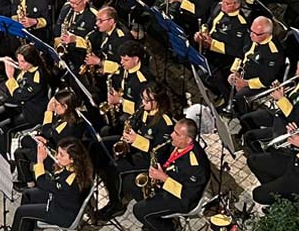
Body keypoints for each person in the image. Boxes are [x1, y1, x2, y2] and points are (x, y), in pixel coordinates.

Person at [96, 84, 175, 220]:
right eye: (142, 99)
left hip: (149, 160)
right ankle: (110, 183)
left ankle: (117, 204)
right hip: (135, 149)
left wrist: (136, 139)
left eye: (146, 100)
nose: (142, 102)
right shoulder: (144, 110)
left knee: (114, 168)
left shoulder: (165, 123)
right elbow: (133, 124)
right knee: (101, 145)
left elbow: (158, 151)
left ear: (158, 102)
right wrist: (127, 136)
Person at [129, 119, 210, 230]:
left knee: (139, 210)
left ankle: (169, 227)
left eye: (177, 134)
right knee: (133, 186)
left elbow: (188, 196)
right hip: (169, 184)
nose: (171, 135)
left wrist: (164, 178)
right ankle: (155, 220)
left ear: (188, 140)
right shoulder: (177, 145)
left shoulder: (195, 165)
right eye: (173, 131)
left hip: (181, 200)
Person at [240, 56, 299, 155]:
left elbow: (296, 119)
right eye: (297, 69)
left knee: (250, 137)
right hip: (278, 114)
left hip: (286, 125)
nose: (297, 73)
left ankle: (262, 154)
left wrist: (281, 99)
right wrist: (281, 92)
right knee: (246, 119)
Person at [11, 138, 93, 231]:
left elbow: (42, 183)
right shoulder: (75, 168)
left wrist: (40, 161)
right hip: (59, 200)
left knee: (21, 212)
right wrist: (46, 145)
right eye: (58, 153)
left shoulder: (68, 183)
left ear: (72, 159)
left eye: (61, 155)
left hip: (61, 213)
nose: (57, 157)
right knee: (28, 194)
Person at [13, 90, 86, 185]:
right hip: (53, 145)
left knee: (19, 153)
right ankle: (30, 172)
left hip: (56, 158)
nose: (53, 106)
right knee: (25, 140)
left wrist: (49, 111)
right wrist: (46, 140)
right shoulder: (66, 116)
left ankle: (29, 183)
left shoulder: (68, 126)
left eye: (56, 105)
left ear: (65, 107)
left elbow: (46, 131)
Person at [194, 0, 249, 99]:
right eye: (222, 1)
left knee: (206, 74)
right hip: (206, 47)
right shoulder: (219, 6)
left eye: (226, 3)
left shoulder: (240, 25)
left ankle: (223, 95)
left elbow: (236, 50)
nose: (222, 5)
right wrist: (203, 33)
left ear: (236, 5)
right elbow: (208, 22)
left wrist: (212, 44)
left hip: (223, 58)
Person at [224, 16, 284, 114]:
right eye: (251, 31)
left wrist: (245, 83)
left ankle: (243, 117)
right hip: (244, 73)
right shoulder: (251, 34)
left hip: (256, 82)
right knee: (222, 76)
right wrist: (235, 71)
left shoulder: (273, 53)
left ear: (267, 34)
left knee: (240, 96)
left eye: (256, 34)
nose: (251, 35)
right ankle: (228, 103)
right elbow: (240, 53)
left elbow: (266, 79)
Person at [0, 44, 49, 140]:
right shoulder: (26, 69)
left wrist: (10, 77)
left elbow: (19, 95)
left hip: (31, 113)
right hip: (20, 105)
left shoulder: (37, 77)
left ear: (32, 61)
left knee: (4, 127)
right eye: (18, 60)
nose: (20, 64)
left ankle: (2, 152)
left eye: (23, 62)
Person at [53, 0, 98, 72]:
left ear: (85, 0)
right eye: (70, 2)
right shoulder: (67, 7)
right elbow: (57, 30)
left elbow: (95, 44)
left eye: (75, 3)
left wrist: (75, 40)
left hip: (81, 57)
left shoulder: (94, 16)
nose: (72, 6)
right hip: (65, 53)